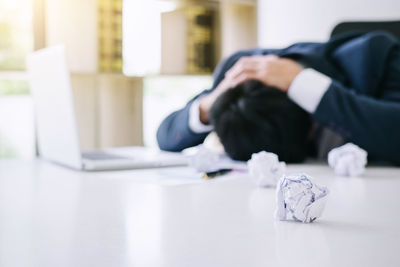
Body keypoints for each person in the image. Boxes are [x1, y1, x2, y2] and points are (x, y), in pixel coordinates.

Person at [157, 31, 400, 164]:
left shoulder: (375, 57)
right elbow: (166, 137)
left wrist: (305, 86)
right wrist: (211, 103)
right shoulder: (236, 76)